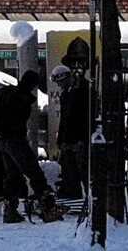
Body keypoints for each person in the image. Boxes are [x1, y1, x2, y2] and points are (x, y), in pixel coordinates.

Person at [0, 70, 61, 224]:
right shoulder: (22, 99)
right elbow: (17, 122)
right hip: (16, 140)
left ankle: (10, 210)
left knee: (12, 174)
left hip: (2, 141)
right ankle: (48, 207)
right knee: (34, 172)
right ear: (33, 85)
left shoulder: (6, 92)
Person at [53, 65, 90, 201]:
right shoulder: (66, 94)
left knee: (83, 171)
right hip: (68, 139)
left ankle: (88, 198)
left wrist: (83, 139)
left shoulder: (82, 91)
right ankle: (73, 198)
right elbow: (64, 118)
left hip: (79, 139)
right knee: (69, 172)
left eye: (60, 82)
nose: (58, 86)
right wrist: (61, 140)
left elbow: (85, 117)